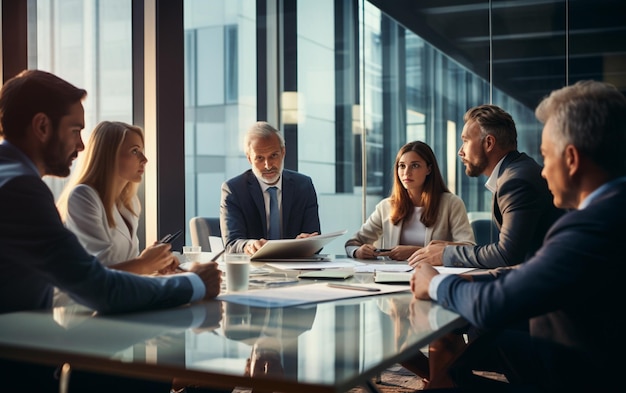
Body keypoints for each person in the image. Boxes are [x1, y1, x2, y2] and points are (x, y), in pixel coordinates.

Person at [0, 69, 221, 392]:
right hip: (18, 369)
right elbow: (100, 288)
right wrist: (193, 283)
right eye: (75, 130)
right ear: (42, 126)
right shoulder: (21, 188)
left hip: (34, 346)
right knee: (193, 381)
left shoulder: (11, 176)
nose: (80, 144)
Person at [410, 80, 626, 391]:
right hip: (583, 348)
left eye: (547, 155)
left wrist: (437, 282)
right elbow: (538, 266)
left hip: (578, 371)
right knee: (458, 356)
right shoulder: (609, 211)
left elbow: (493, 302)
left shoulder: (592, 226)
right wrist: (475, 279)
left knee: (451, 370)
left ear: (571, 159)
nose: (542, 171)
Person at [408, 104, 564, 269]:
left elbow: (507, 255)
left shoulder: (516, 181)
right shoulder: (516, 171)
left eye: (466, 141)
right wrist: (454, 249)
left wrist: (445, 254)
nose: (460, 151)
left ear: (489, 143)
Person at [56, 121, 177, 276]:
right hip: (87, 298)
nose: (144, 159)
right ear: (109, 156)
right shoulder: (83, 196)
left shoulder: (129, 202)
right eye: (135, 151)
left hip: (119, 294)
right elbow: (100, 271)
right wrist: (144, 263)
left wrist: (155, 263)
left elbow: (125, 266)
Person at [345, 141, 475, 261]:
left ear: (429, 169)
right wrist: (358, 252)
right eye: (402, 166)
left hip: (434, 276)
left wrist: (418, 251)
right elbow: (353, 243)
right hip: (392, 278)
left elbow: (468, 248)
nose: (406, 172)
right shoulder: (386, 207)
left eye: (415, 166)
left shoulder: (451, 204)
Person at [220, 121, 321, 255]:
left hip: (295, 267)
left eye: (273, 155)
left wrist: (306, 242)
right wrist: (249, 245)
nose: (268, 165)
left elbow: (316, 238)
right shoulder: (234, 190)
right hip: (255, 270)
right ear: (249, 158)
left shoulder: (303, 185)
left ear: (283, 152)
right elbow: (232, 243)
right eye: (260, 158)